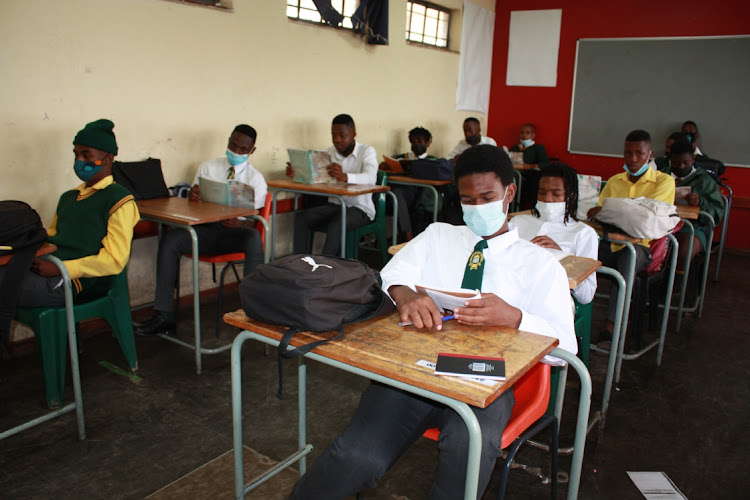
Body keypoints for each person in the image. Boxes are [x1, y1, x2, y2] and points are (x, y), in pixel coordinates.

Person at [288, 145, 576, 500]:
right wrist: (405, 295)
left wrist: (516, 318)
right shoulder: (439, 236)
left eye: (487, 197)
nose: (477, 208)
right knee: (354, 456)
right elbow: (391, 274)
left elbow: (567, 349)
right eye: (468, 200)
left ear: (510, 192)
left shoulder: (540, 264)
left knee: (465, 456)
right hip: (417, 370)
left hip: (486, 383)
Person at [135, 124, 267, 335]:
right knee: (172, 239)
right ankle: (164, 315)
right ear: (228, 141)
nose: (236, 152)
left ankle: (253, 313)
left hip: (234, 234)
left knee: (253, 237)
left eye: (243, 149)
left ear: (252, 151)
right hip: (206, 230)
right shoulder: (208, 168)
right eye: (233, 145)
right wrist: (192, 198)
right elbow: (192, 209)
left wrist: (242, 223)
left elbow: (257, 220)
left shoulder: (256, 180)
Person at [0, 119, 139, 307]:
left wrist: (62, 268)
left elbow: (115, 260)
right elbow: (51, 238)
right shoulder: (68, 197)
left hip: (75, 281)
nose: (79, 161)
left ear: (108, 159)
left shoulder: (119, 199)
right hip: (49, 267)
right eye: (76, 155)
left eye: (86, 155)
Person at [587, 130, 675, 347]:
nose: (633, 158)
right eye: (628, 153)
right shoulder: (615, 181)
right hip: (609, 242)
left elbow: (648, 222)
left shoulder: (664, 182)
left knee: (629, 257)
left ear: (650, 154)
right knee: (579, 250)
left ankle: (612, 326)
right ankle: (572, 318)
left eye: (639, 153)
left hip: (642, 248)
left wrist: (615, 212)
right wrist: (628, 212)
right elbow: (600, 215)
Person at [286, 114, 378, 256]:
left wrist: (345, 176)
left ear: (354, 134)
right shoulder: (328, 153)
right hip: (336, 205)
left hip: (360, 209)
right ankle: (300, 262)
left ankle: (325, 268)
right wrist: (297, 171)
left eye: (342, 135)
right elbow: (315, 177)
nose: (337, 140)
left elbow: (371, 177)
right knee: (302, 218)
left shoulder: (367, 151)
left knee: (337, 224)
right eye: (333, 135)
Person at [513, 163, 598, 304]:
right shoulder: (518, 222)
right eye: (541, 192)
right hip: (514, 290)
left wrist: (564, 258)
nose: (547, 199)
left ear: (571, 195)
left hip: (553, 300)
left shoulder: (583, 233)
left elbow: (586, 295)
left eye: (556, 194)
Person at [668, 139, 723, 270]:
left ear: (693, 160)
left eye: (685, 162)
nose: (681, 166)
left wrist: (700, 203)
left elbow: (716, 215)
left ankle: (677, 285)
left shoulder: (704, 181)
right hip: (663, 224)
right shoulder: (662, 176)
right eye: (675, 163)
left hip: (692, 227)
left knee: (683, 252)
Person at [379, 126, 436, 241]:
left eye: (419, 141)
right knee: (396, 193)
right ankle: (407, 235)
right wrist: (385, 165)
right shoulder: (402, 158)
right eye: (413, 142)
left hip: (419, 196)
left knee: (397, 194)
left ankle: (407, 236)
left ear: (428, 143)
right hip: (403, 193)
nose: (416, 145)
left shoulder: (433, 160)